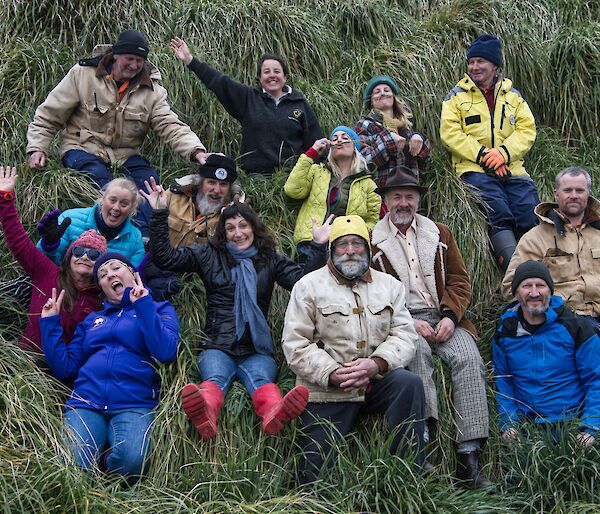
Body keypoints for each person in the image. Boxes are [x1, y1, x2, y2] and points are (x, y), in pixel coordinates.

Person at [144, 182, 332, 438]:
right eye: (230, 228)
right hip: (217, 346)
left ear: (254, 228)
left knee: (263, 382)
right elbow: (166, 258)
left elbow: (304, 285)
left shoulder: (270, 259)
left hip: (256, 349)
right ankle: (205, 413)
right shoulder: (208, 254)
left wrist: (318, 247)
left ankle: (274, 413)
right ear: (223, 232)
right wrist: (158, 214)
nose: (237, 233)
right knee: (214, 381)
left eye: (243, 226)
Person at [370, 169, 491, 488]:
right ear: (385, 201)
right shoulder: (373, 242)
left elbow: (460, 280)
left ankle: (468, 457)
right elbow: (374, 295)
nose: (403, 202)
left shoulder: (440, 233)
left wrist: (451, 316)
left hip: (445, 312)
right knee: (417, 355)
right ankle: (421, 443)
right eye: (396, 196)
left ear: (419, 200)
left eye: (410, 196)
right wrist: (408, 321)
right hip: (403, 318)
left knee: (468, 359)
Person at [282, 215, 425, 484]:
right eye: (342, 244)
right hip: (326, 389)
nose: (349, 251)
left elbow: (404, 334)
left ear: (368, 249)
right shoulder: (307, 286)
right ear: (332, 249)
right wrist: (332, 373)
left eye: (357, 244)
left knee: (409, 383)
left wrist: (378, 363)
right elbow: (295, 343)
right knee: (314, 479)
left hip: (377, 382)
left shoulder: (391, 286)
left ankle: (408, 478)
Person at [26, 29, 209, 237]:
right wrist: (37, 148)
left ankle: (144, 239)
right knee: (102, 180)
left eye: (139, 60)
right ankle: (110, 236)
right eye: (129, 58)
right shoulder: (82, 74)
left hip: (126, 155)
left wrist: (197, 152)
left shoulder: (153, 91)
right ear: (115, 55)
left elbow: (170, 125)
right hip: (82, 147)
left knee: (149, 182)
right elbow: (50, 113)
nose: (134, 65)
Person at [39, 253, 179, 480]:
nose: (110, 275)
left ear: (133, 273)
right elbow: (66, 368)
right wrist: (50, 323)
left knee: (132, 462)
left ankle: (104, 461)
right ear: (102, 287)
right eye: (103, 274)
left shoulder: (160, 309)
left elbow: (165, 351)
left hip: (134, 402)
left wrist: (143, 305)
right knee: (70, 468)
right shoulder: (92, 320)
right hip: (86, 401)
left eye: (116, 268)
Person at [440, 34, 539, 271]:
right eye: (471, 62)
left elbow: (527, 130)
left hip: (513, 168)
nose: (474, 67)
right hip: (474, 169)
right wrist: (485, 155)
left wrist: (503, 154)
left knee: (529, 213)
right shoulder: (456, 96)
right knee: (499, 211)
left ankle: (538, 271)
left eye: (480, 62)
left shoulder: (513, 96)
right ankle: (514, 275)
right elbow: (450, 133)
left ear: (495, 66)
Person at [170, 37, 322, 176]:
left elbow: (316, 142)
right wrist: (190, 60)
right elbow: (219, 82)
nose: (272, 75)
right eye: (266, 72)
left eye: (277, 71)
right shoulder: (248, 98)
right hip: (256, 178)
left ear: (285, 77)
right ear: (260, 78)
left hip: (294, 177)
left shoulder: (299, 104)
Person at [0, 165, 107, 354]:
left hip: (63, 374)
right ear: (69, 256)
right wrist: (5, 198)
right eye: (78, 250)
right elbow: (18, 241)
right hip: (27, 361)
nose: (84, 256)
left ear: (100, 265)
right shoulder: (48, 272)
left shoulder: (102, 299)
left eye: (93, 254)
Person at [493, 260, 600, 445]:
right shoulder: (505, 332)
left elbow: (596, 379)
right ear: (516, 293)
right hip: (526, 428)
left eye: (540, 285)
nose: (534, 293)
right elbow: (503, 381)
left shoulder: (576, 328)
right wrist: (508, 423)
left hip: (573, 425)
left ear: (550, 291)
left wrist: (590, 427)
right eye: (527, 286)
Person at [502, 167, 600, 324]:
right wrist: (549, 309)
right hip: (562, 319)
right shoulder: (535, 238)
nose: (574, 195)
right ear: (556, 193)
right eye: (568, 190)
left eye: (579, 190)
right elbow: (510, 287)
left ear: (588, 194)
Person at [141, 154, 242, 300]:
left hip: (192, 282)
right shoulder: (172, 196)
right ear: (201, 182)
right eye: (211, 182)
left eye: (223, 185)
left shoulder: (233, 217)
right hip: (156, 266)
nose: (217, 190)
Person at [284, 126, 380, 262]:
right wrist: (311, 153)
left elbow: (373, 221)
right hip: (311, 243)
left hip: (348, 248)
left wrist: (355, 235)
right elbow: (292, 190)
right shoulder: (317, 171)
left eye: (345, 138)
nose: (339, 140)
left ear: (355, 147)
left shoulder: (368, 184)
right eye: (334, 139)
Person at [35, 177, 145, 267]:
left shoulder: (135, 238)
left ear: (132, 208)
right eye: (112, 200)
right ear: (102, 199)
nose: (116, 207)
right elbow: (43, 265)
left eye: (124, 204)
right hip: (65, 286)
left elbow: (132, 278)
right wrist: (49, 245)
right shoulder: (71, 218)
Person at [356, 75, 431, 188]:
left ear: (393, 97)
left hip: (409, 193)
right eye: (377, 92)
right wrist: (388, 140)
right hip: (379, 196)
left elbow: (426, 167)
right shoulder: (365, 125)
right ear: (371, 102)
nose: (382, 93)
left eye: (387, 90)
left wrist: (420, 139)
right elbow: (362, 162)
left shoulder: (407, 128)